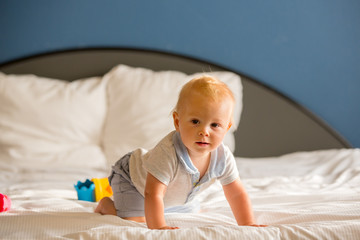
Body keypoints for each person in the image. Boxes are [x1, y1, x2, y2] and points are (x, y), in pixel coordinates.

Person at [95, 75, 266, 229]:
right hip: (132, 179)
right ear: (177, 122)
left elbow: (236, 193)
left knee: (187, 211)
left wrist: (248, 223)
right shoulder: (168, 153)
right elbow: (152, 193)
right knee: (135, 221)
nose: (204, 132)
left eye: (215, 125)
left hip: (174, 195)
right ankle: (106, 205)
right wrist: (159, 227)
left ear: (227, 128)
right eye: (195, 121)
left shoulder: (223, 157)